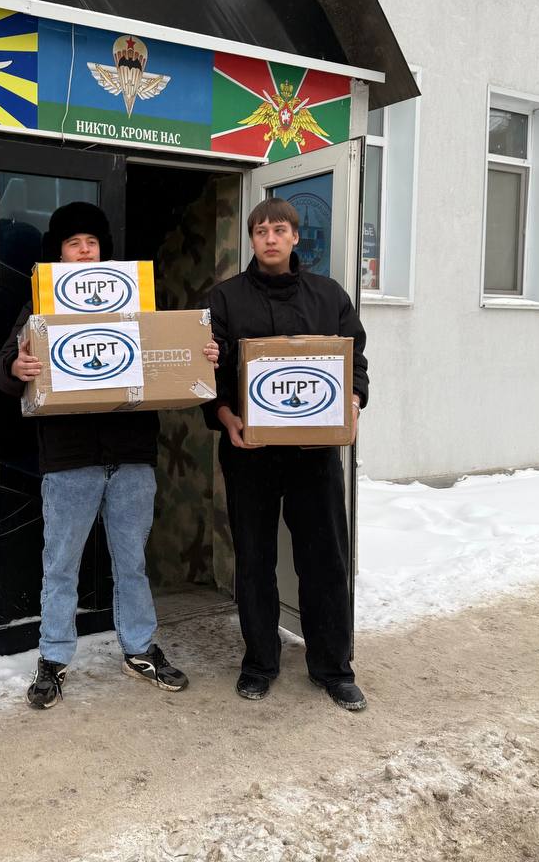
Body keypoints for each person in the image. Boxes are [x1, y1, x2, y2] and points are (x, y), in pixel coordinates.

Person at [0, 201, 219, 709]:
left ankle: (139, 648)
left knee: (132, 563)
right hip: (69, 460)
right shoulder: (40, 307)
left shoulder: (137, 305)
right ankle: (53, 658)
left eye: (91, 242)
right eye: (74, 243)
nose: (84, 250)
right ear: (60, 254)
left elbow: (173, 355)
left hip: (132, 456)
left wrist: (202, 354)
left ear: (103, 251)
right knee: (61, 566)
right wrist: (16, 368)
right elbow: (2, 368)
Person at [205, 197, 370, 712]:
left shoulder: (329, 295)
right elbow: (208, 373)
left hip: (314, 455)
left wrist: (353, 404)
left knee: (325, 560)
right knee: (254, 560)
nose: (270, 238)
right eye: (261, 231)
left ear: (296, 237)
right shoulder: (225, 299)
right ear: (252, 240)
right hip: (248, 452)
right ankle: (260, 663)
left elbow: (355, 361)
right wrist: (226, 417)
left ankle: (333, 668)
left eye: (279, 230)